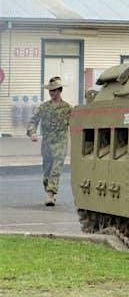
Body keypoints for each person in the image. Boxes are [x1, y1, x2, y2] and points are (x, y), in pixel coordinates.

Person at [26, 76, 72, 206]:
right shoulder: (44, 107)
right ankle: (48, 189)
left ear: (60, 91)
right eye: (50, 91)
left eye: (54, 91)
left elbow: (76, 124)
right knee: (47, 170)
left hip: (61, 143)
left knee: (56, 169)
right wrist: (32, 132)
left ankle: (51, 195)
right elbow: (33, 120)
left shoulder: (68, 108)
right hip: (47, 143)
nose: (52, 93)